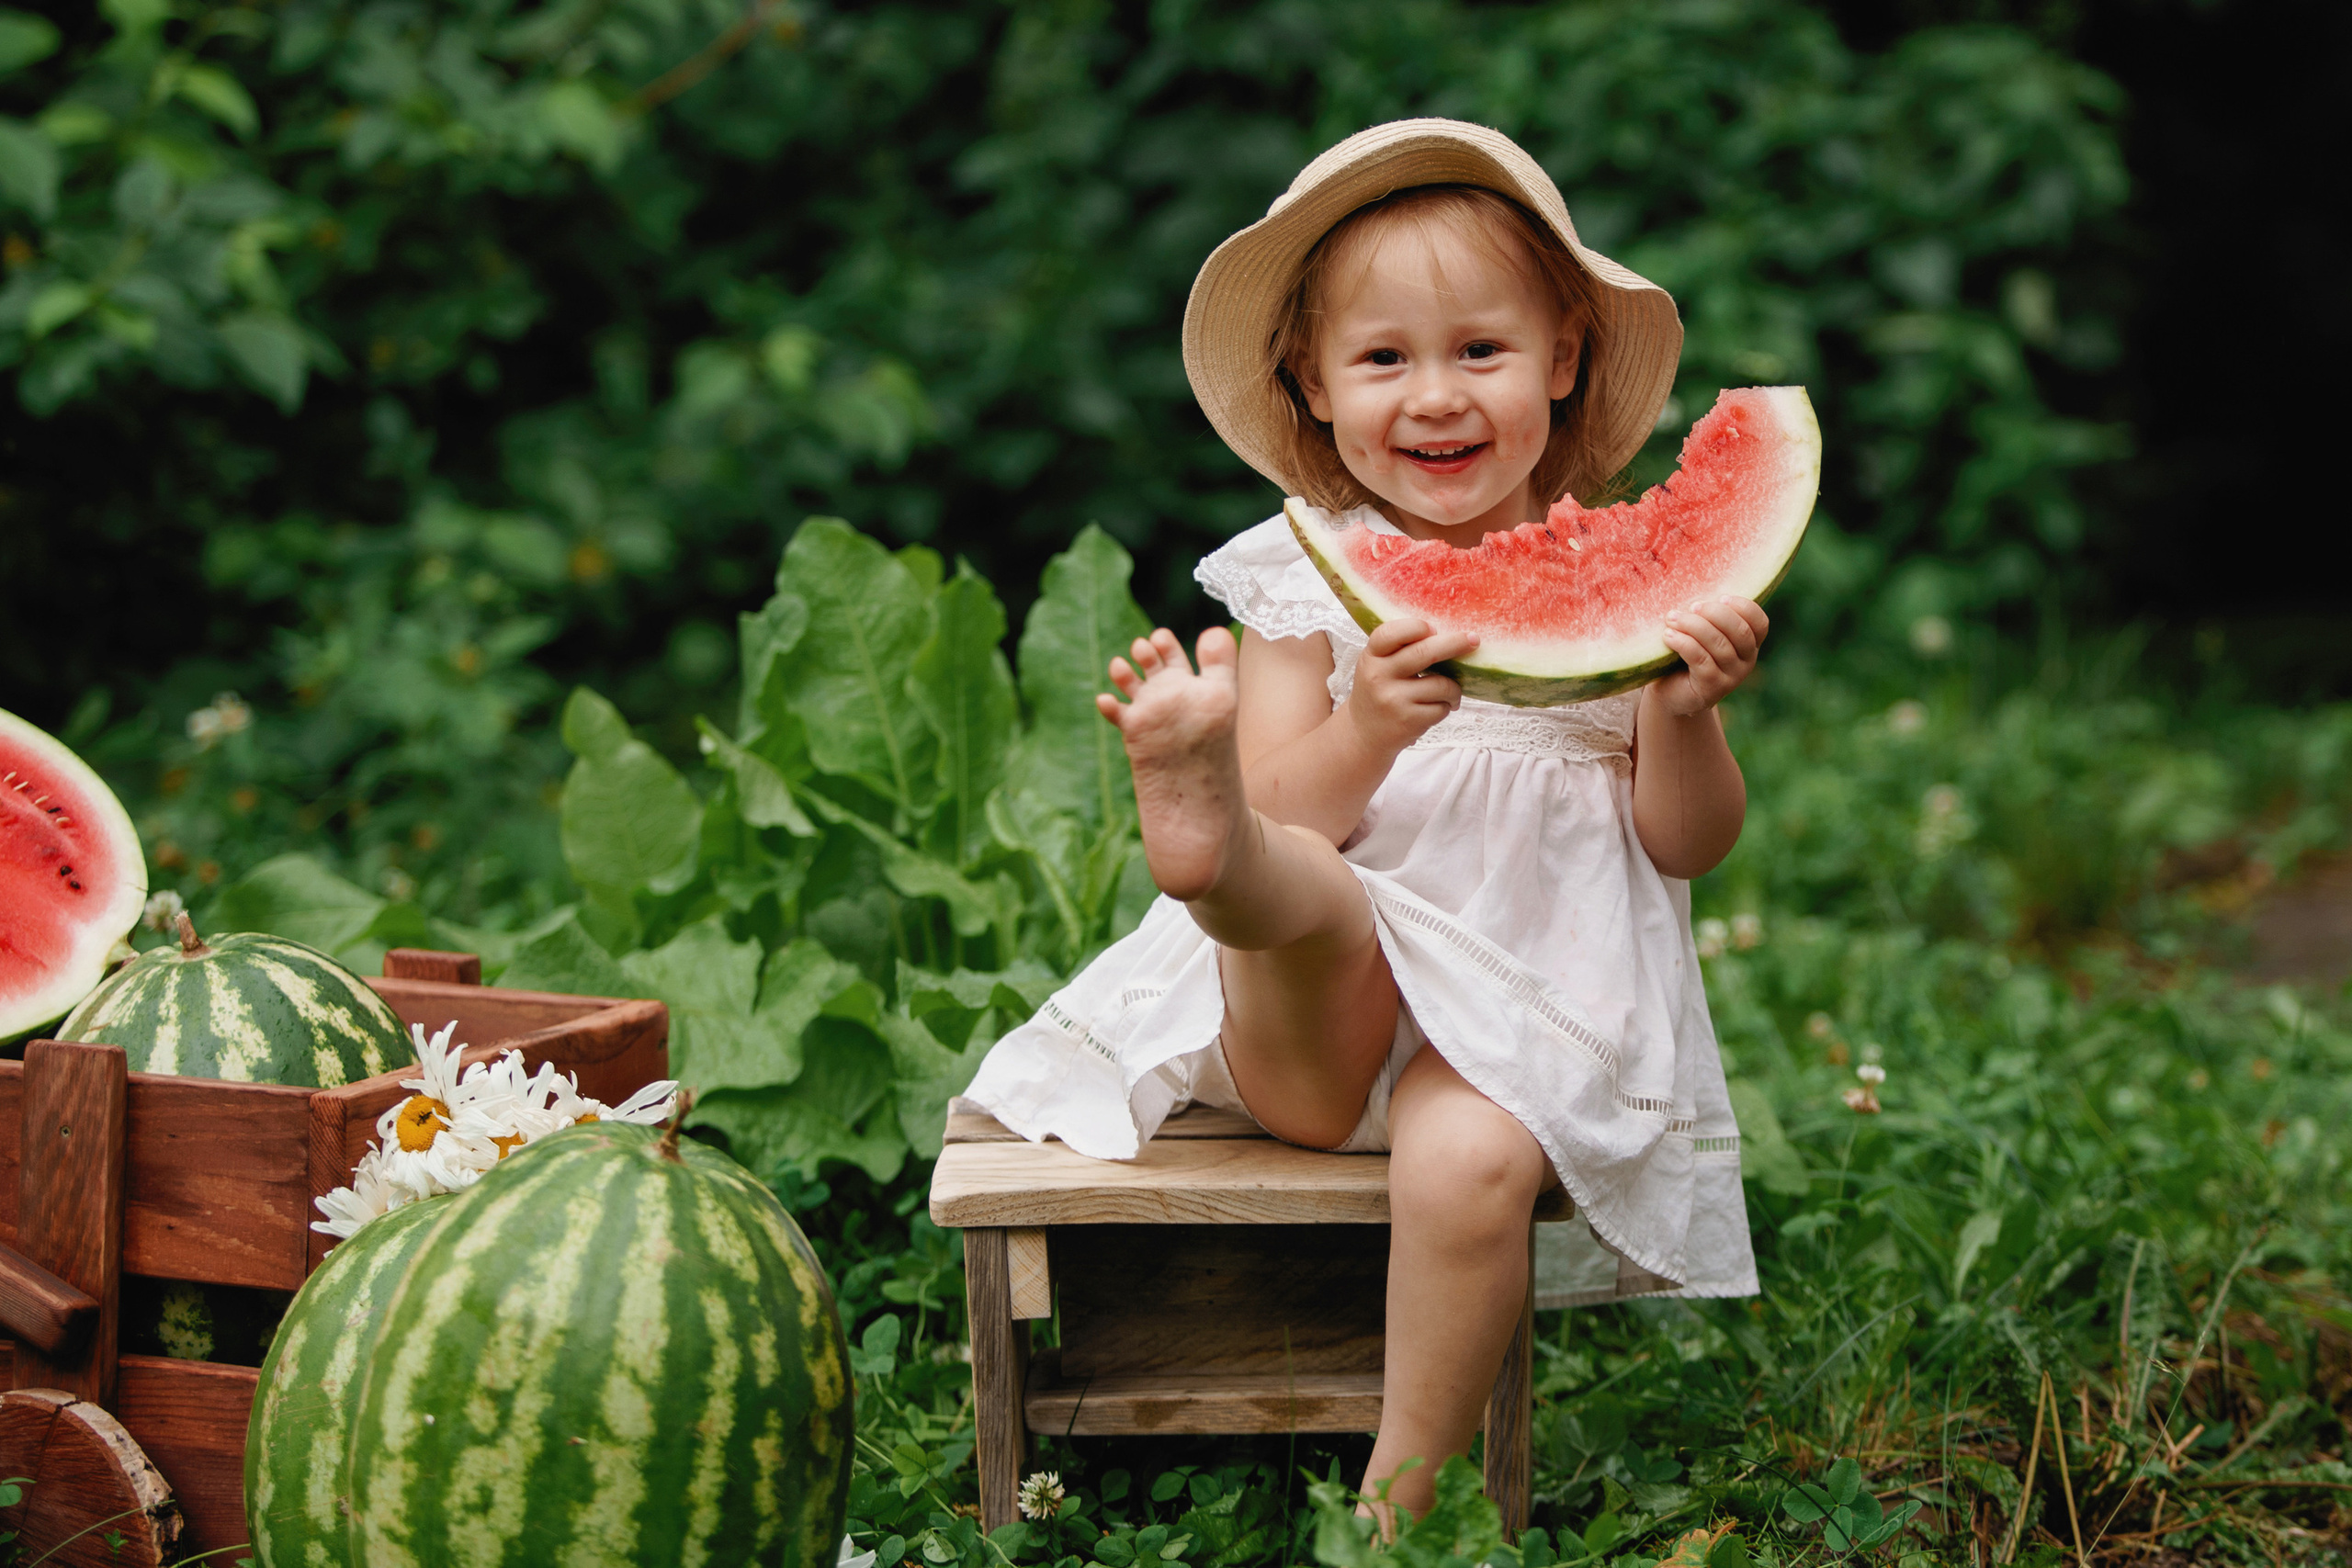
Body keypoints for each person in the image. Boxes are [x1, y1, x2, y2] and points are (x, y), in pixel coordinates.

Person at [962, 118, 1761, 1523]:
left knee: (1476, 1159)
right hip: (1317, 1027)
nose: (1435, 396)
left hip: (1524, 1032)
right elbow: (1292, 806)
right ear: (1313, 389)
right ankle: (1194, 846)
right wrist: (1370, 727)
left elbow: (1685, 845)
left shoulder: (1629, 588)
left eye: (1481, 351)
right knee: (1307, 880)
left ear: (1563, 358)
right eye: (1385, 358)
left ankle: (1405, 1504)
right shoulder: (1298, 579)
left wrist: (1684, 713)